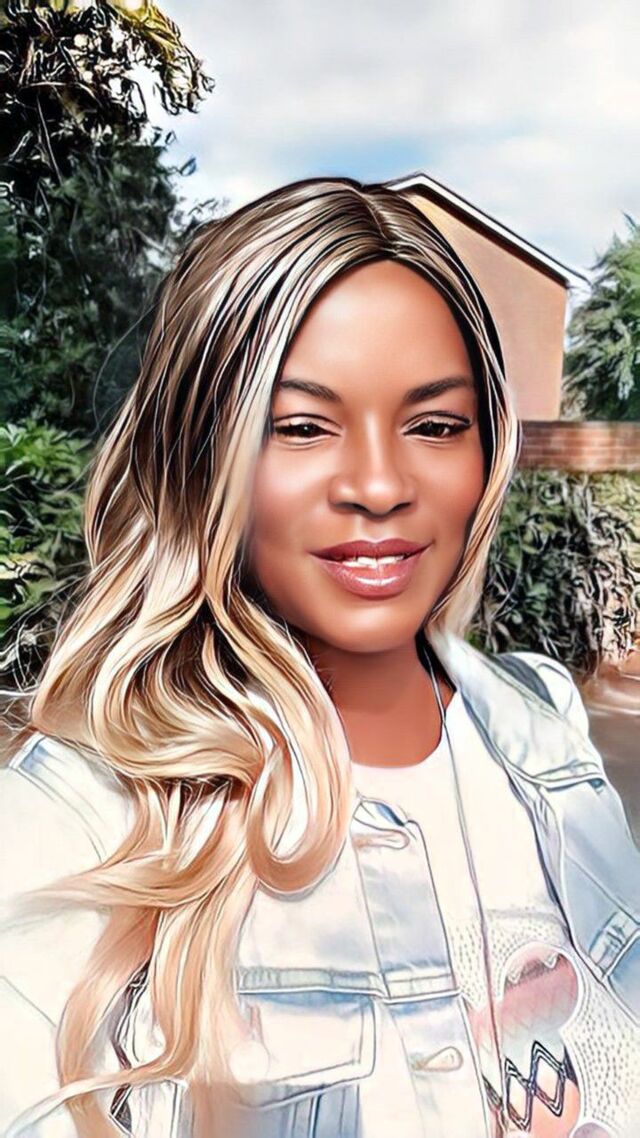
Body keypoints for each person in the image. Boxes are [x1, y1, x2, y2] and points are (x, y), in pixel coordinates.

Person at [1, 176, 639, 1138]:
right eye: (300, 426)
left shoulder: (544, 730)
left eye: (435, 425)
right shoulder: (80, 818)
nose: (379, 485)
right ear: (201, 456)